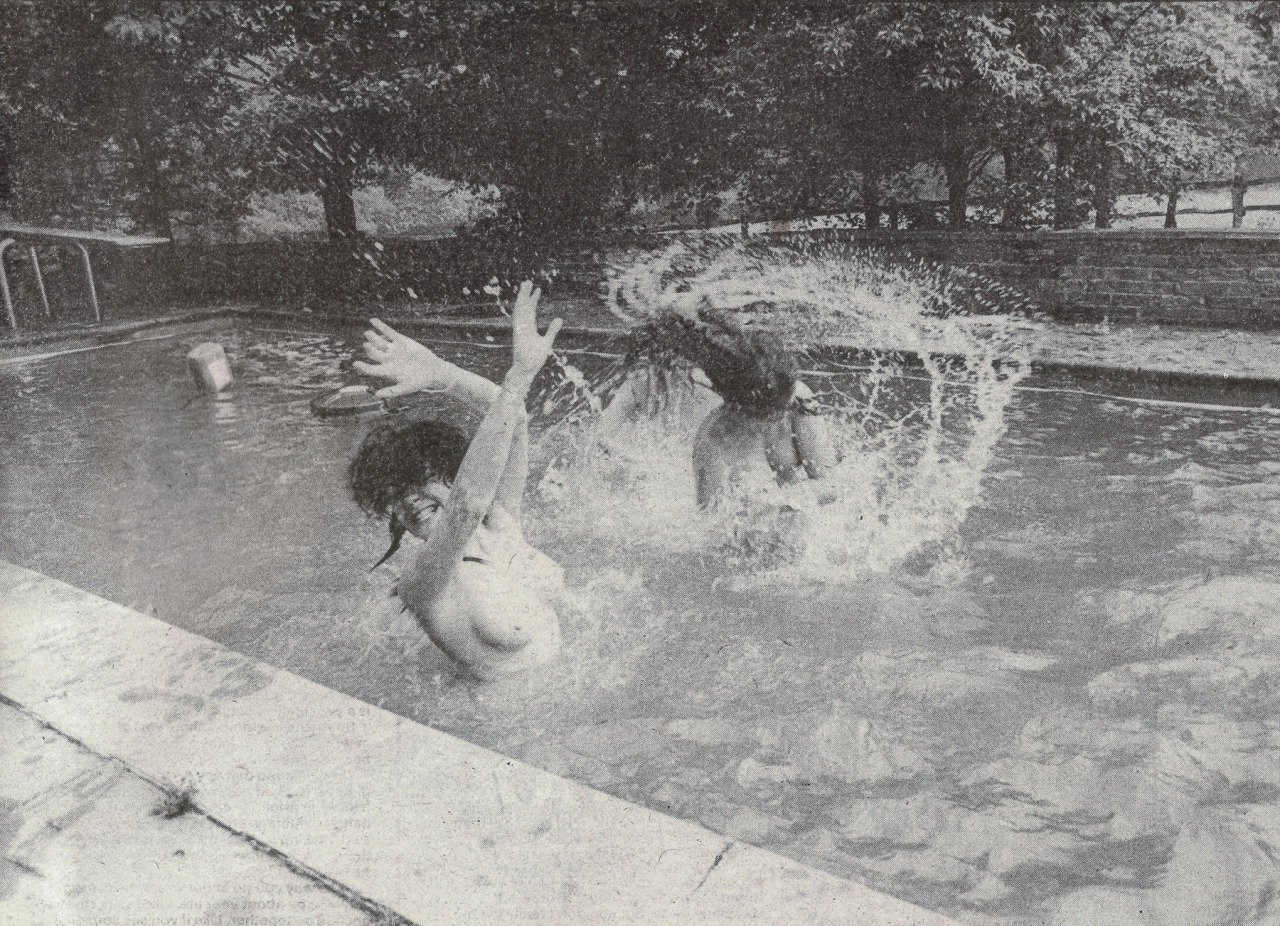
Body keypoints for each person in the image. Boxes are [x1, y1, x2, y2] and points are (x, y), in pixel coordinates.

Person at [348, 282, 564, 681]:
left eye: (421, 481)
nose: (407, 500)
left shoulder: (501, 523)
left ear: (451, 475)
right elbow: (465, 506)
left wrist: (443, 374)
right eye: (393, 495)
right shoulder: (424, 579)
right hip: (511, 731)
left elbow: (514, 423)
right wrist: (519, 376)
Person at [609, 308, 836, 508]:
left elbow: (830, 487)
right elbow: (711, 524)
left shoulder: (800, 401)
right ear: (740, 408)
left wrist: (774, 500)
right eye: (770, 411)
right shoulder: (712, 439)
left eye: (782, 405)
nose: (779, 415)